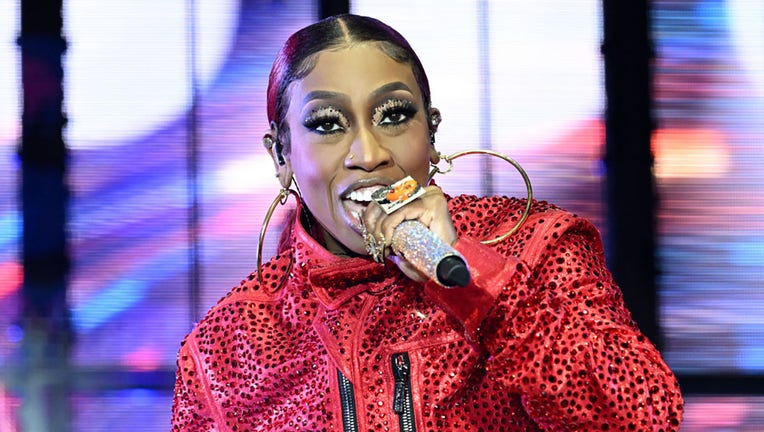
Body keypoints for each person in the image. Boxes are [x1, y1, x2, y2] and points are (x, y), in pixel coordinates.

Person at [171, 14, 683, 431]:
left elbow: (642, 416)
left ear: (431, 133)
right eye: (327, 124)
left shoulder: (535, 248)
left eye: (393, 115)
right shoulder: (229, 342)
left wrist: (475, 280)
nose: (368, 154)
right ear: (281, 155)